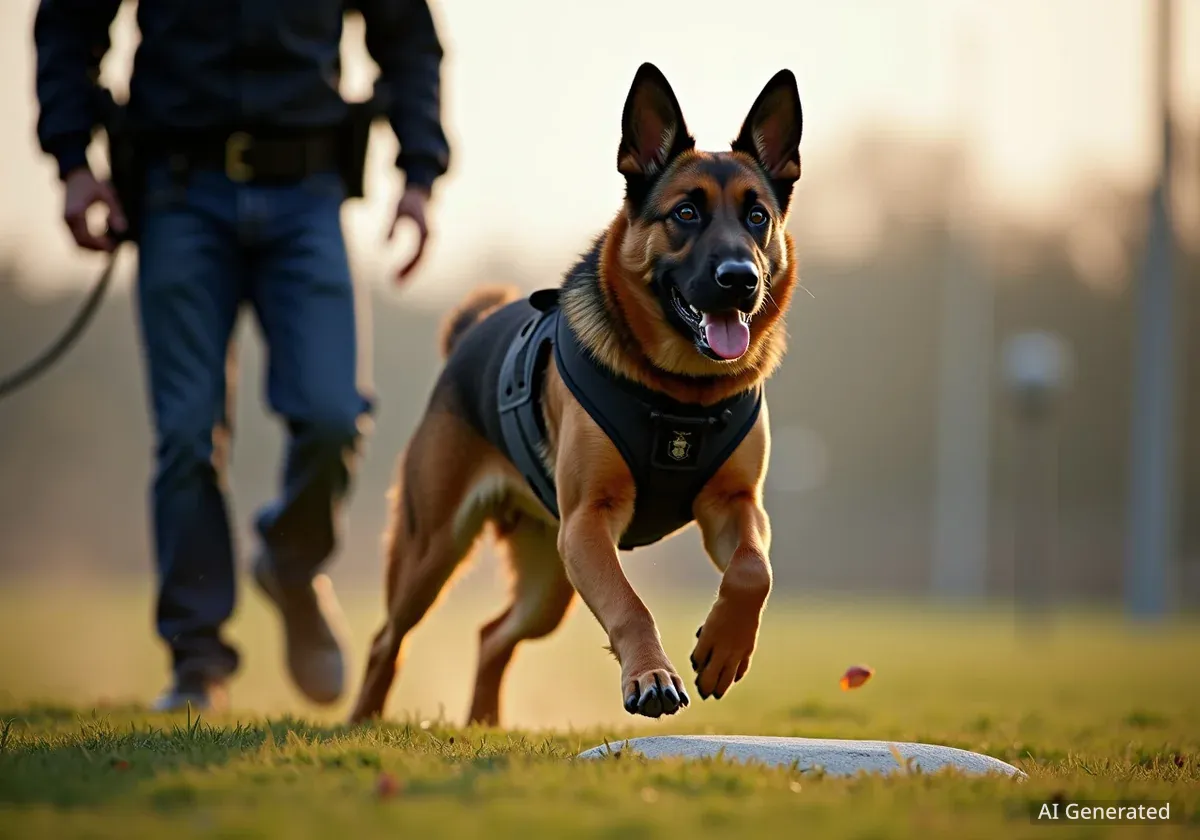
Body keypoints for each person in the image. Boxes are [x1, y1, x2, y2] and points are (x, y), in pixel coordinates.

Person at [33, 0, 450, 712]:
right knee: (189, 435)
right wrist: (73, 163)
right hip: (177, 191)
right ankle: (197, 663)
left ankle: (291, 565)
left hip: (308, 193)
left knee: (332, 415)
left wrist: (419, 176)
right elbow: (69, 22)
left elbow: (407, 37)